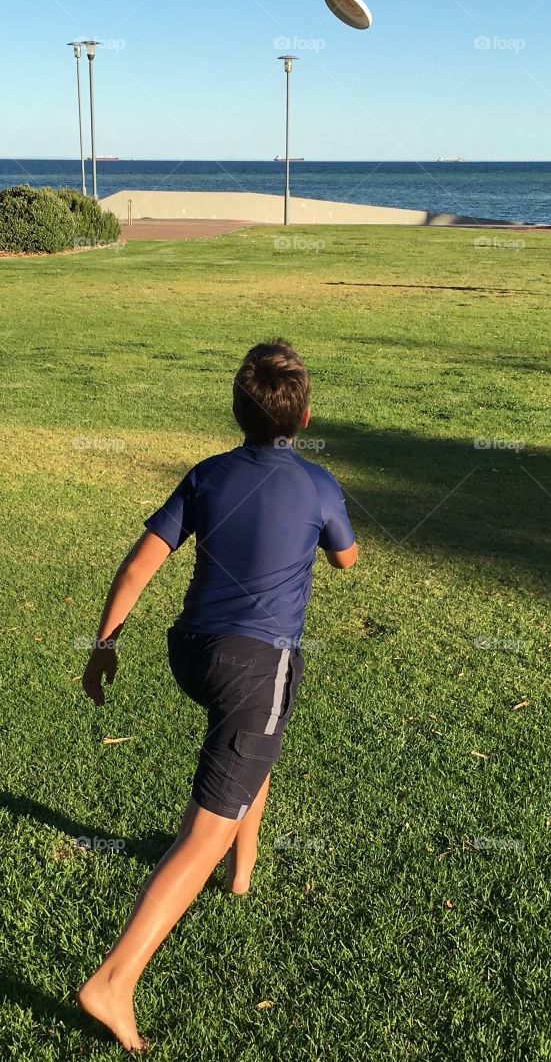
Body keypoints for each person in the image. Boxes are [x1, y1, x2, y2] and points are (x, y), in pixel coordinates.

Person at [77, 341, 357, 1052]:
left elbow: (141, 561)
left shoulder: (206, 475)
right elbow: (347, 558)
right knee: (204, 825)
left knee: (258, 738)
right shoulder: (319, 482)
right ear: (306, 413)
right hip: (253, 666)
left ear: (238, 411)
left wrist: (104, 645)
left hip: (191, 652)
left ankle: (242, 873)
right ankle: (112, 981)